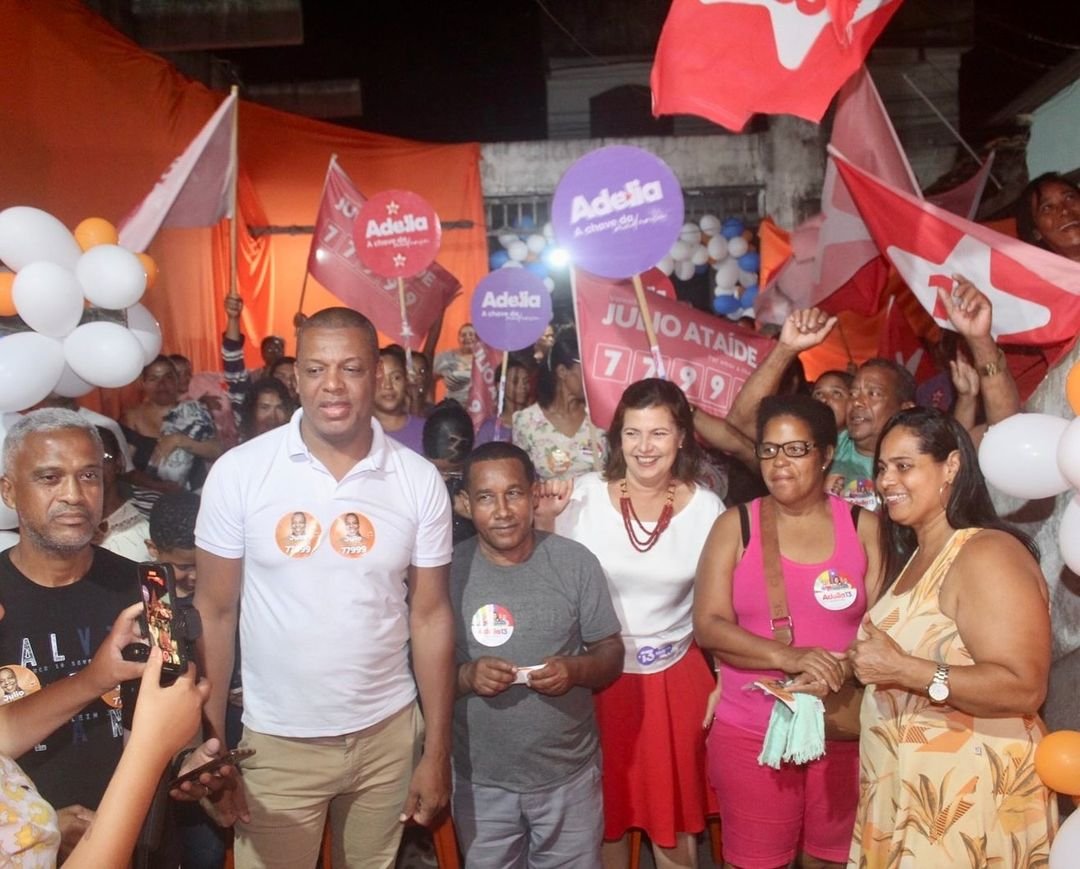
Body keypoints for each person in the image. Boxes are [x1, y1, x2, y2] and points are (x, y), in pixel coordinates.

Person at [195, 306, 455, 869]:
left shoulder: (417, 479)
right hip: (275, 745)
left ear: (378, 376)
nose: (332, 386)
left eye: (351, 368)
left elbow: (430, 617)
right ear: (297, 379)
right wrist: (211, 750)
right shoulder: (240, 473)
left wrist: (435, 750)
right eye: (314, 370)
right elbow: (214, 612)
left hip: (389, 738)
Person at [0, 409, 232, 862]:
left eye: (88, 475)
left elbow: (176, 705)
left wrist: (193, 765)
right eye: (49, 477)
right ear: (8, 490)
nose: (73, 494)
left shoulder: (148, 588)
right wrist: (40, 824)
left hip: (147, 845)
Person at [846, 407, 1056, 865]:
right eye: (881, 468)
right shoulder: (917, 555)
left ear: (952, 466)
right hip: (908, 791)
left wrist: (906, 670)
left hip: (968, 797)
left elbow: (1023, 686)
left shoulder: (987, 553)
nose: (886, 481)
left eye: (904, 466)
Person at [537, 378, 724, 869]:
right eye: (633, 433)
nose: (645, 448)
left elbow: (725, 605)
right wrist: (544, 523)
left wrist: (727, 678)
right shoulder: (579, 497)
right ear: (616, 436)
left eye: (659, 433)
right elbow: (543, 585)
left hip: (676, 684)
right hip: (597, 681)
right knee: (605, 820)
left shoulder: (707, 509)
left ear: (682, 436)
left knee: (674, 830)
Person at [693, 394, 884, 869]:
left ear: (824, 454)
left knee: (832, 860)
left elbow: (882, 628)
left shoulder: (864, 527)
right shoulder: (734, 526)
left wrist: (843, 665)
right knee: (758, 862)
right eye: (768, 450)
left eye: (795, 449)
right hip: (753, 731)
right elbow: (709, 626)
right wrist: (791, 657)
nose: (779, 462)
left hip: (841, 728)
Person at [450, 442, 624, 867]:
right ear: (466, 504)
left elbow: (611, 653)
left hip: (568, 775)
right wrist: (468, 677)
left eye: (513, 493)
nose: (503, 510)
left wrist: (575, 669)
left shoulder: (575, 563)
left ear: (534, 494)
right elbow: (420, 672)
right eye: (486, 497)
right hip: (480, 780)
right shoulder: (447, 571)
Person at [121, 355, 223, 491]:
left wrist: (180, 440)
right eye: (153, 378)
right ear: (143, 384)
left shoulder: (194, 410)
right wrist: (157, 486)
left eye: (168, 377)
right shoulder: (132, 417)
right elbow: (124, 468)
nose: (162, 384)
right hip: (145, 498)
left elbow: (216, 451)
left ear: (177, 381)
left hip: (192, 498)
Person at [513, 330, 604, 480]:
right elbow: (520, 479)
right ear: (562, 371)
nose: (592, 376)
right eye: (586, 369)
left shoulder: (600, 418)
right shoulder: (527, 422)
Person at [423, 400, 478, 546]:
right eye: (438, 472)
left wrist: (479, 514)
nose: (446, 480)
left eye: (455, 474)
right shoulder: (411, 479)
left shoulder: (479, 480)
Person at [1016, 171, 1080, 262]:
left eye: (1069, 198)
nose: (1064, 210)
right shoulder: (1033, 275)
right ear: (1036, 232)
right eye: (1047, 208)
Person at [375, 344, 427, 453]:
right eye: (379, 378)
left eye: (396, 377)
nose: (388, 385)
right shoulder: (354, 433)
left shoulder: (427, 431)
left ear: (406, 380)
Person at [475, 357, 534, 445]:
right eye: (515, 381)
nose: (522, 386)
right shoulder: (490, 428)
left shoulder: (537, 421)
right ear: (500, 386)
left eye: (526, 381)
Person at [237, 377, 296, 443]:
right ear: (252, 410)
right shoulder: (239, 447)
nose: (272, 417)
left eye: (279, 408)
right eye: (264, 408)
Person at [434, 322, 478, 406]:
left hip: (479, 409)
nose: (467, 337)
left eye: (471, 334)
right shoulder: (445, 357)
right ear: (458, 338)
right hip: (453, 408)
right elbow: (429, 378)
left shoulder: (484, 359)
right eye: (463, 335)